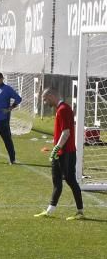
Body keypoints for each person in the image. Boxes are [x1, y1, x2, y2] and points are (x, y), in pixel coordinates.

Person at [34, 87, 84, 221]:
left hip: (63, 152)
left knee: (58, 181)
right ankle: (80, 211)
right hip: (70, 151)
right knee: (70, 180)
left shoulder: (62, 110)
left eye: (45, 99)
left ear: (51, 95)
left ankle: (50, 210)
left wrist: (56, 148)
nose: (45, 103)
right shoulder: (65, 108)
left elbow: (66, 132)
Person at [0, 72, 22, 164]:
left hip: (2, 120)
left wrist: (10, 108)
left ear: (2, 79)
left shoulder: (7, 89)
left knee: (7, 140)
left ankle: (12, 159)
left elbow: (18, 98)